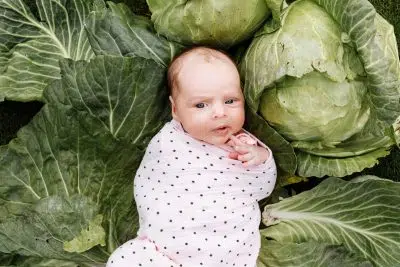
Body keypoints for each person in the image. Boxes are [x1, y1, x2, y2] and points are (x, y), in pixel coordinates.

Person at [106, 47, 277, 267]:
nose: (219, 112)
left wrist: (260, 158)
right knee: (125, 260)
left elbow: (263, 186)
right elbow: (150, 182)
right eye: (201, 105)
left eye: (230, 101)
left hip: (223, 251)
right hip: (163, 252)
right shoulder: (169, 142)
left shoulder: (244, 146)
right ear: (176, 110)